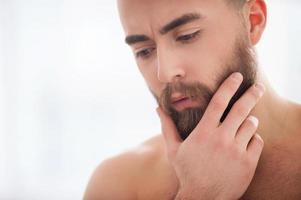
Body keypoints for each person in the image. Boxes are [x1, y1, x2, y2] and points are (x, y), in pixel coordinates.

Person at [84, 0, 301, 199]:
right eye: (144, 51)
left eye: (187, 36)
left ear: (253, 22)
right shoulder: (118, 184)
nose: (165, 73)